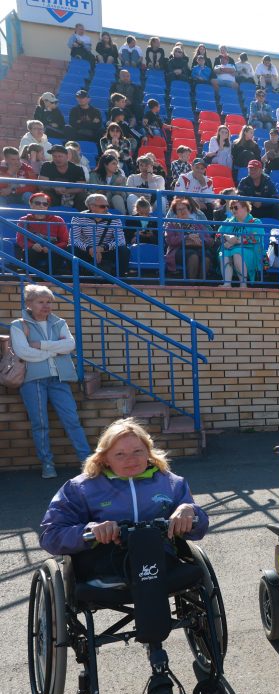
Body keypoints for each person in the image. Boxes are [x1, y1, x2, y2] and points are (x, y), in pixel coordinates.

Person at [39, 418, 205, 593]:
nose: (131, 460)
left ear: (148, 452)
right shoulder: (79, 488)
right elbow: (50, 535)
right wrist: (90, 531)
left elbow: (199, 527)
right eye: (120, 454)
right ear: (105, 459)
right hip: (103, 567)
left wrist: (190, 510)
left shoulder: (172, 483)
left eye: (137, 451)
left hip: (159, 559)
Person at [10, 284, 93, 478]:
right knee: (40, 423)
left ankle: (87, 461)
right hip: (33, 381)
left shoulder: (59, 322)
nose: (46, 306)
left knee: (72, 420)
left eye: (49, 302)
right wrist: (54, 351)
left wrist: (42, 346)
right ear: (29, 304)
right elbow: (23, 352)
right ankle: (47, 464)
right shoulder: (18, 325)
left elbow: (70, 345)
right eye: (41, 302)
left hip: (59, 379)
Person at [71, 193, 129, 276]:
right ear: (92, 207)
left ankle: (118, 278)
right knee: (70, 249)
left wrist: (102, 248)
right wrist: (89, 249)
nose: (106, 209)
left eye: (107, 206)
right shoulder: (78, 217)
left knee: (124, 250)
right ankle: (79, 277)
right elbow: (73, 240)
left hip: (106, 251)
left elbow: (121, 241)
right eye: (102, 206)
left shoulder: (115, 219)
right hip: (85, 251)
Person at [15, 194, 70, 274]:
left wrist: (52, 247)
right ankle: (31, 277)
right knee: (29, 252)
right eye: (37, 203)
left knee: (57, 253)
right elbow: (20, 239)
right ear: (31, 204)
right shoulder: (24, 220)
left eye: (45, 204)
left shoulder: (58, 220)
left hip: (52, 249)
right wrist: (32, 246)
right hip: (34, 249)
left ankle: (49, 279)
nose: (41, 206)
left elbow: (65, 241)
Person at [164, 196, 215, 280]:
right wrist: (186, 237)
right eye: (179, 210)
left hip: (197, 247)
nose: (182, 211)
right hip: (179, 249)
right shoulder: (171, 224)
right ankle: (191, 285)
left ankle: (201, 285)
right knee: (193, 256)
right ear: (175, 212)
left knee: (206, 256)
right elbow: (170, 240)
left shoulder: (197, 224)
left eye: (184, 208)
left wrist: (200, 239)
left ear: (188, 210)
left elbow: (208, 239)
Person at [39, 144, 88, 210]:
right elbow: (42, 184)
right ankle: (46, 217)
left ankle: (82, 218)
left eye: (60, 156)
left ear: (67, 156)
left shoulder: (77, 169)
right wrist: (54, 188)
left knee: (83, 196)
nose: (57, 159)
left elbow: (81, 187)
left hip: (72, 196)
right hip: (53, 194)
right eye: (54, 156)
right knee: (43, 196)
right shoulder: (46, 166)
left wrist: (67, 191)